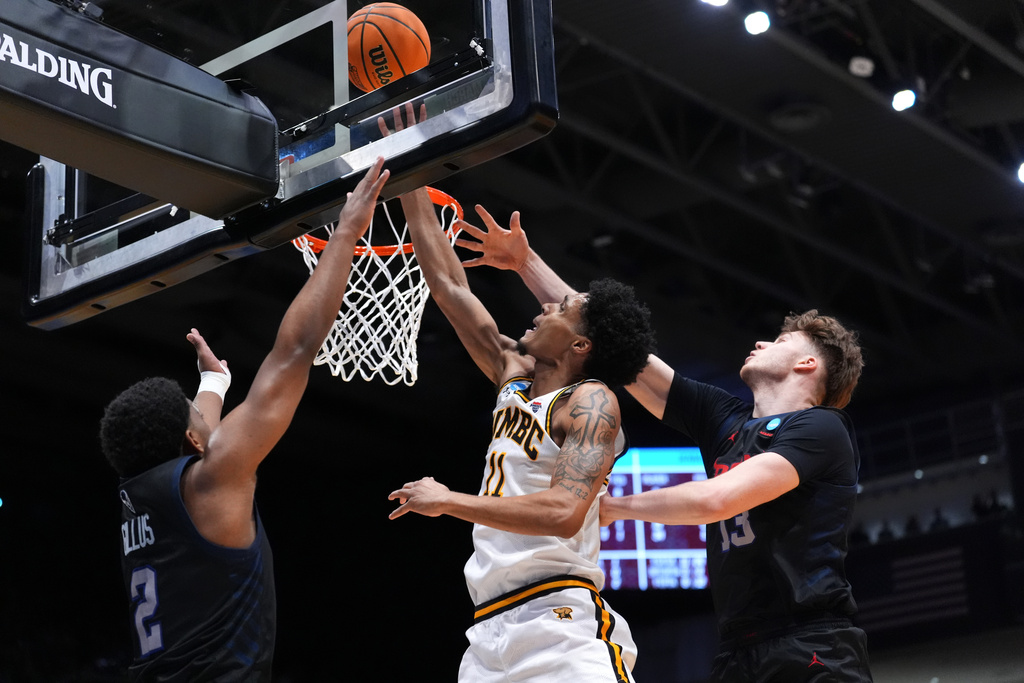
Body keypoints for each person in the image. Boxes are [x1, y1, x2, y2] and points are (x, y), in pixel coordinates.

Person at [457, 209, 873, 682]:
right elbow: (611, 341)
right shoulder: (727, 422)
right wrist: (524, 261)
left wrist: (612, 505)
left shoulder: (821, 428)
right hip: (738, 646)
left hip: (811, 640)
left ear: (806, 363)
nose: (760, 342)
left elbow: (717, 499)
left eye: (779, 339)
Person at [99, 159, 390, 681]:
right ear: (191, 439)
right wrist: (347, 230)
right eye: (197, 411)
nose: (209, 414)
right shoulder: (212, 476)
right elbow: (296, 349)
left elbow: (200, 435)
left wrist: (211, 385)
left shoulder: (138, 494)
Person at [385, 151, 656, 680]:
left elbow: (563, 512)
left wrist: (448, 501)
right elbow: (448, 285)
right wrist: (411, 176)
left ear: (581, 344)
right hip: (488, 631)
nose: (546, 307)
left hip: (562, 623)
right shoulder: (512, 372)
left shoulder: (592, 401)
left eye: (563, 309)